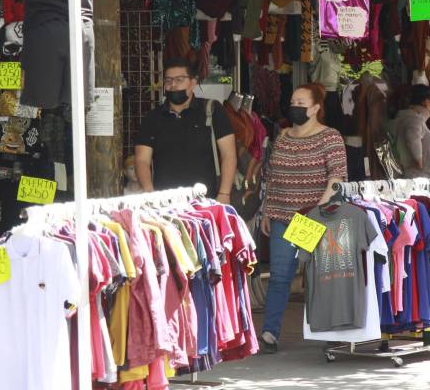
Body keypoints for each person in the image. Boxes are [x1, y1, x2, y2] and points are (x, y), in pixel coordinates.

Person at [259, 83, 348, 353]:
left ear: (315, 108)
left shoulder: (329, 137)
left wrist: (316, 212)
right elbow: (272, 177)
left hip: (312, 218)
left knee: (319, 276)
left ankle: (330, 330)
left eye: (301, 103)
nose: (294, 107)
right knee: (280, 275)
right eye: (292, 102)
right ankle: (269, 333)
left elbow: (336, 178)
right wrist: (267, 209)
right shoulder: (283, 136)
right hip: (281, 215)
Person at [134, 58, 237, 202]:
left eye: (179, 80)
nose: (173, 85)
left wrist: (224, 194)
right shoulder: (152, 118)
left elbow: (229, 154)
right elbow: (142, 160)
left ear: (193, 82)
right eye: (168, 80)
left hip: (206, 203)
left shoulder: (212, 111)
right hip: (165, 205)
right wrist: (150, 194)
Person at [393, 84, 430, 179]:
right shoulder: (413, 119)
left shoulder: (413, 119)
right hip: (420, 179)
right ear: (426, 102)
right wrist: (418, 159)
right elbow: (412, 137)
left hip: (423, 179)